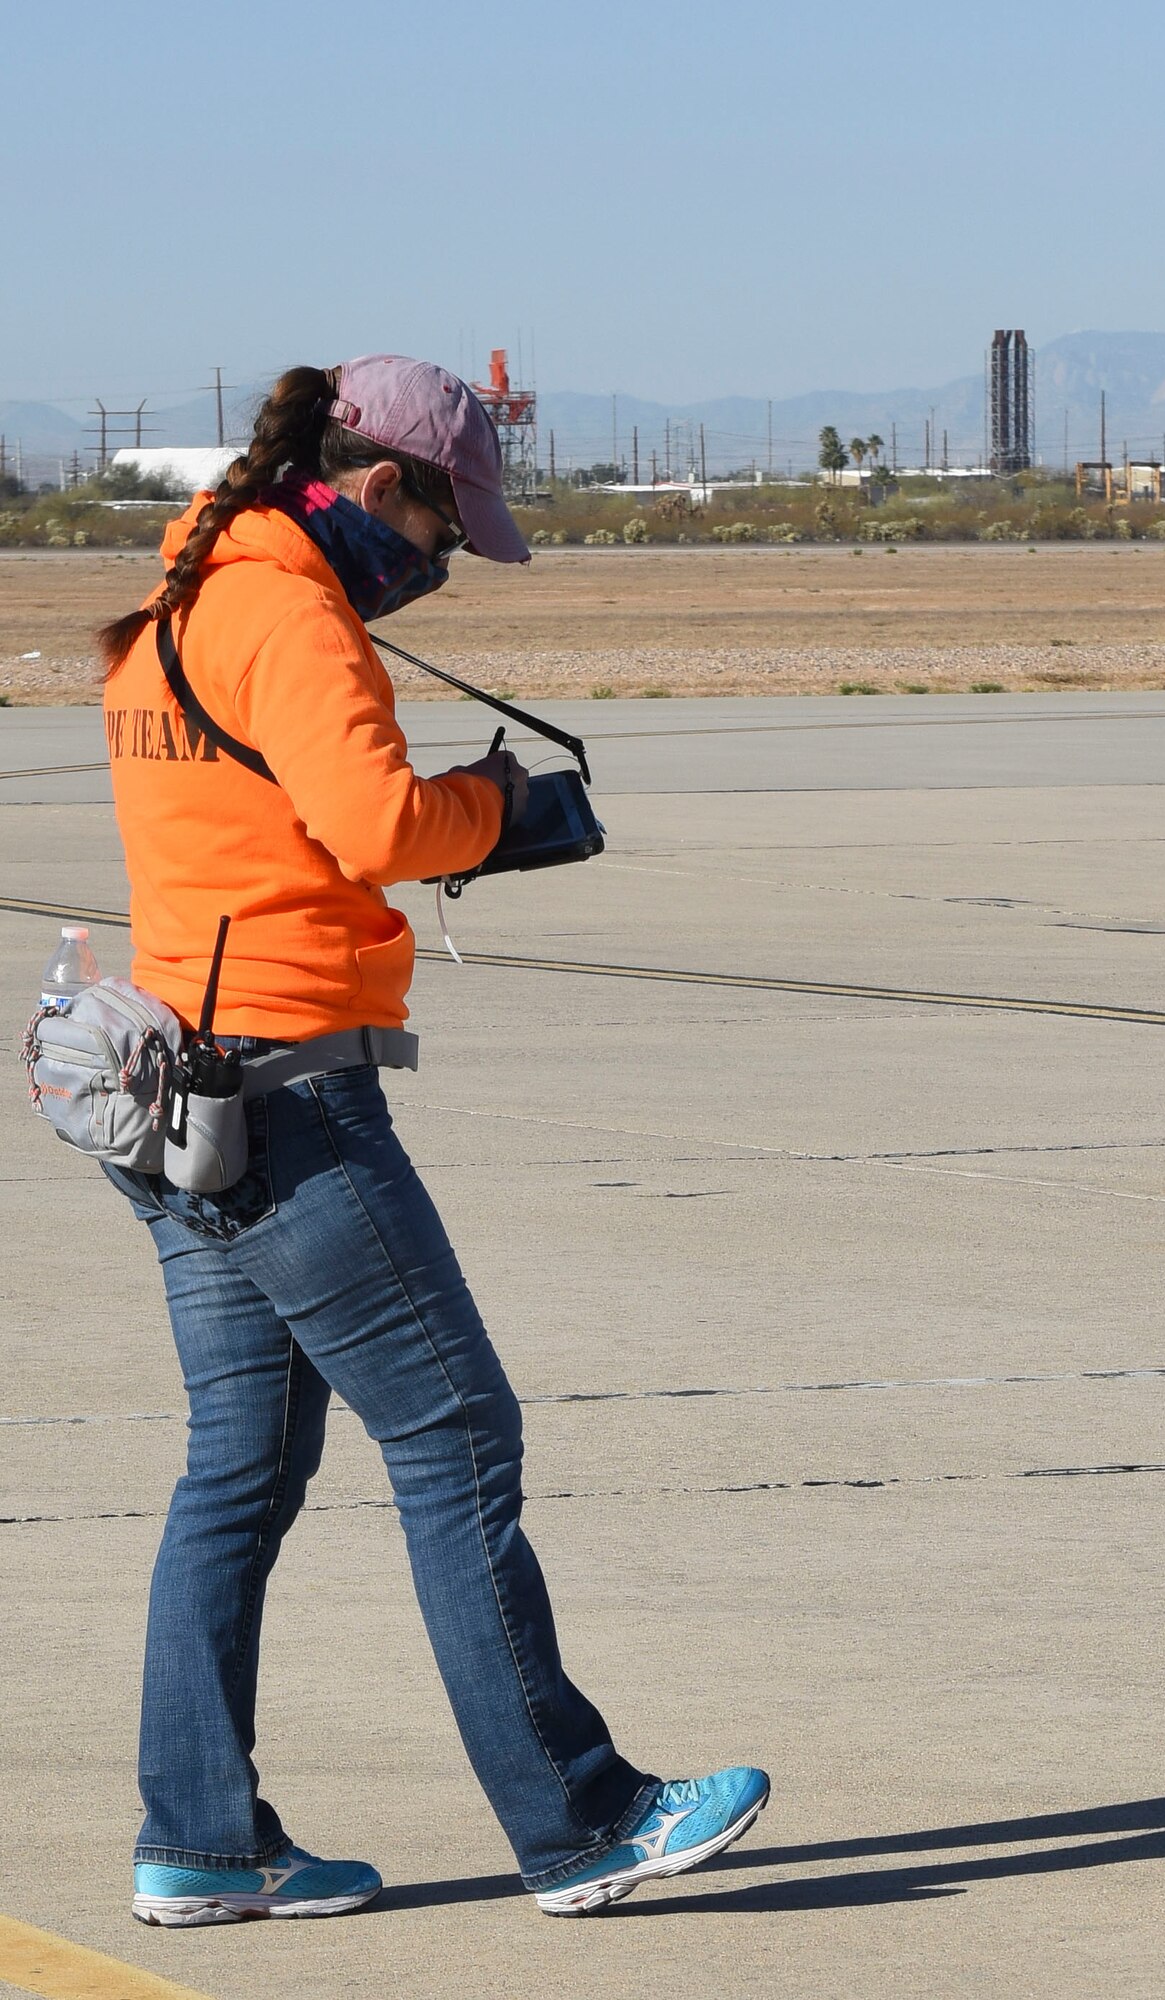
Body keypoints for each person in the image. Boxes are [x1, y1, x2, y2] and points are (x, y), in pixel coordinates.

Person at [94, 355, 768, 1926]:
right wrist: (508, 818)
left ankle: (200, 1838)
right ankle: (582, 1819)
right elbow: (380, 825)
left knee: (238, 1469)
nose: (444, 569)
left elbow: (269, 822)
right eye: (447, 531)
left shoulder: (186, 591)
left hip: (178, 1087)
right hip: (291, 1096)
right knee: (457, 1436)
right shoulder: (290, 612)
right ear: (377, 484)